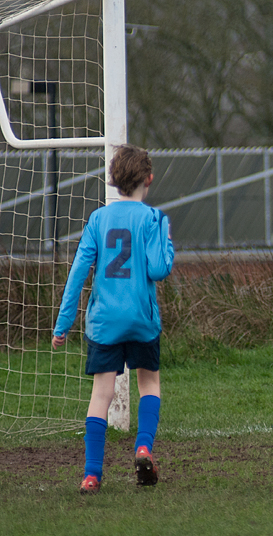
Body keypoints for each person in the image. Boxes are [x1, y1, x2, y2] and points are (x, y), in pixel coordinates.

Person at [52, 144, 174, 493]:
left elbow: (77, 274)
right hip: (140, 319)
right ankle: (143, 447)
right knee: (149, 384)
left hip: (104, 322)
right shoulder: (153, 219)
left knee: (101, 394)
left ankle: (92, 475)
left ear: (112, 181)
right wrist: (166, 240)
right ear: (149, 179)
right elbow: (159, 269)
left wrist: (63, 325)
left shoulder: (98, 219)